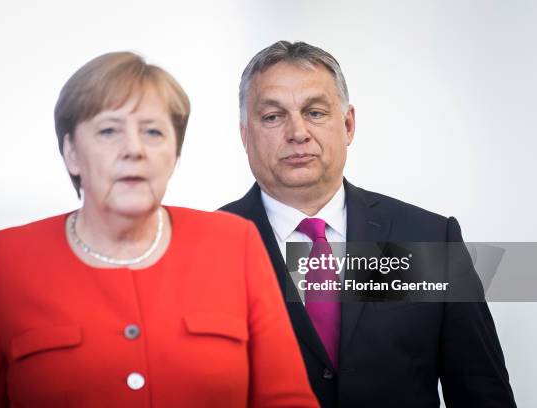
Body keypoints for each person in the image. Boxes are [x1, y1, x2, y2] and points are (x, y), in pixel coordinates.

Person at [0, 52, 318, 407]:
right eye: (108, 131)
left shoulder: (236, 245)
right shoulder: (2, 261)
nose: (134, 149)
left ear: (175, 154)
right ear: (71, 152)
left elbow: (287, 399)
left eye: (153, 132)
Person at [221, 41, 516, 407]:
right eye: (272, 116)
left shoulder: (429, 239)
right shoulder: (202, 249)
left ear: (348, 125)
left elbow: (483, 394)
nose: (297, 132)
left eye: (315, 112)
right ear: (244, 134)